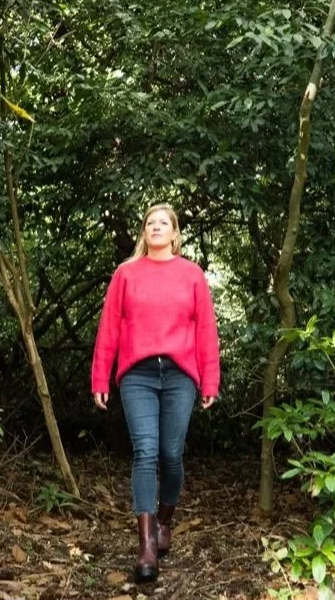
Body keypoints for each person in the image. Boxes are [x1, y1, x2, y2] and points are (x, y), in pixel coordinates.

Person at [91, 203, 220, 583]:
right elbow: (109, 329)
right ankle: (146, 544)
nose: (157, 227)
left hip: (180, 374)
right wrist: (101, 378)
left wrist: (209, 380)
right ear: (144, 233)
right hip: (138, 375)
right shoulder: (126, 274)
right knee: (145, 451)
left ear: (176, 234)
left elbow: (206, 332)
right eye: (150, 223)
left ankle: (165, 520)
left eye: (164, 223)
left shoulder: (192, 275)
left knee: (171, 454)